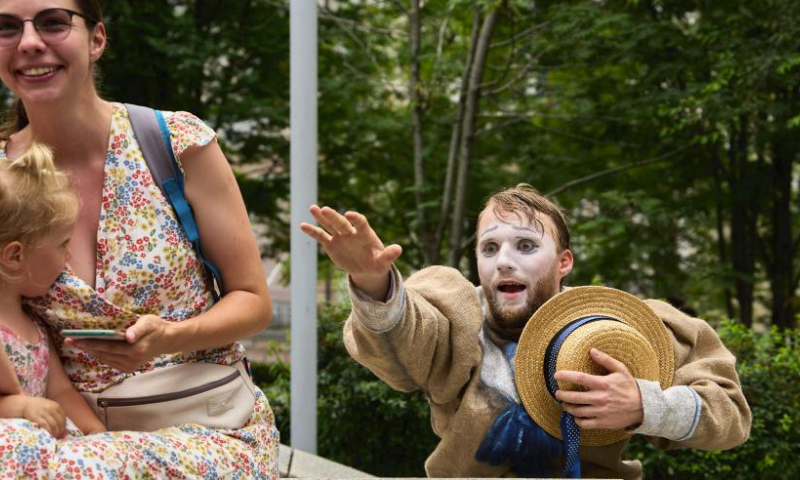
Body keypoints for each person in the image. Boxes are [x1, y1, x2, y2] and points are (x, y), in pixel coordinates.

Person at [0, 1, 279, 478]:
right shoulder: (3, 178)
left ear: (97, 39)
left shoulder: (174, 142)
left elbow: (254, 301)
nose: (29, 41)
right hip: (73, 437)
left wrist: (170, 337)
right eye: (6, 27)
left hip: (205, 431)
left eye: (52, 22)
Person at [300, 184, 751, 479]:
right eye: (490, 247)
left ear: (564, 262)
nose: (504, 261)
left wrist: (645, 404)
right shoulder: (458, 320)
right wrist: (372, 282)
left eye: (527, 246)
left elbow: (730, 413)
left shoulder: (623, 329)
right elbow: (407, 338)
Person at [0, 143, 105, 439]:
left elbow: (61, 392)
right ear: (15, 256)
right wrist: (18, 407)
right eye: (62, 245)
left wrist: (95, 433)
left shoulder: (36, 326)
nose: (68, 258)